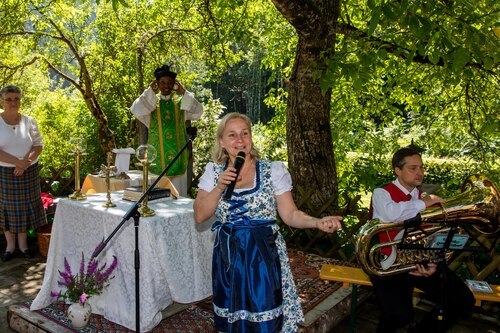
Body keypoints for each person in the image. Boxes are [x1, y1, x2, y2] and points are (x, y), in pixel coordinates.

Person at [193, 112, 343, 332]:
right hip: (228, 257)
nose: (240, 140)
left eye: (245, 133)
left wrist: (317, 222)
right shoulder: (213, 172)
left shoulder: (272, 170)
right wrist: (219, 187)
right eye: (232, 135)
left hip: (262, 255)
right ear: (222, 142)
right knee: (231, 316)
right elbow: (199, 215)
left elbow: (290, 214)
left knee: (265, 316)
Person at [369, 145, 475, 333]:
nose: (420, 172)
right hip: (389, 264)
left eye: (422, 167)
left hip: (420, 263)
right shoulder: (382, 193)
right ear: (397, 170)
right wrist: (424, 203)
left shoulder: (424, 196)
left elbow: (435, 234)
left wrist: (433, 262)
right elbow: (391, 214)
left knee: (463, 299)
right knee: (399, 315)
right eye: (413, 168)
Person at [130, 64, 203, 197]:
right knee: (158, 197)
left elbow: (199, 111)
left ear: (174, 84)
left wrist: (183, 91)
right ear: (157, 84)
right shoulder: (151, 103)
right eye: (162, 83)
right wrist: (149, 90)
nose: (166, 86)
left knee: (178, 195)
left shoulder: (181, 101)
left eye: (169, 83)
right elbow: (135, 109)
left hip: (178, 156)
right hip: (157, 156)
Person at [0, 85, 47, 261]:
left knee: (25, 207)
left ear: (20, 100)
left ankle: (23, 244)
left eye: (16, 99)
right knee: (7, 209)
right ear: (2, 101)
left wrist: (25, 163)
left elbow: (38, 145)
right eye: (9, 99)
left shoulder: (29, 121)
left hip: (28, 171)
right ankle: (10, 247)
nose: (13, 102)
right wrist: (17, 162)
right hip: (4, 171)